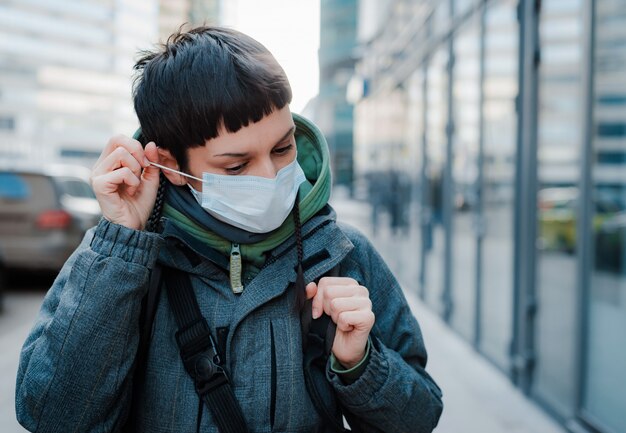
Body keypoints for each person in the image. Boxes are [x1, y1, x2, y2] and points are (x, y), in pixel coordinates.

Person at [15, 26, 443, 433]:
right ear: (173, 165)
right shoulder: (119, 259)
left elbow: (420, 416)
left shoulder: (344, 253)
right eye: (236, 166)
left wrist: (360, 363)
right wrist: (121, 245)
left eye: (283, 147)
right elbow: (52, 415)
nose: (270, 175)